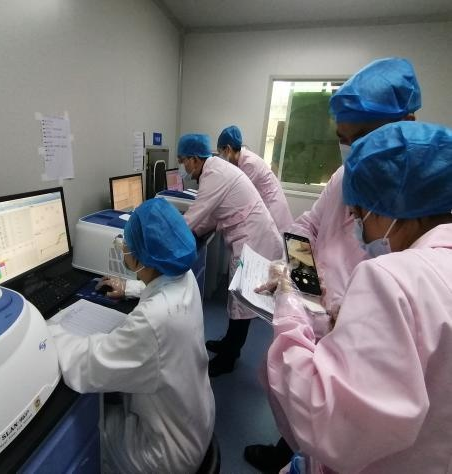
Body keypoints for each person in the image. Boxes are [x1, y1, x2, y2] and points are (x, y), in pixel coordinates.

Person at [244, 57, 422, 472]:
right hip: (311, 310)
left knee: (335, 428)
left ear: (407, 123)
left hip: (355, 339)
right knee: (299, 413)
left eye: (362, 137)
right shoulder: (346, 176)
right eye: (344, 140)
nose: (353, 151)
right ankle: (288, 450)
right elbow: (308, 225)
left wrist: (331, 308)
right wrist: (298, 276)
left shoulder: (420, 204)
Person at [266, 121, 452, 473]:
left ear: (390, 209)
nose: (357, 229)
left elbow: (324, 420)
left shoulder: (392, 279)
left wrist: (290, 303)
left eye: (358, 215)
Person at [48, 198, 215, 474]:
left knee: (87, 428)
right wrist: (129, 288)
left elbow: (87, 366)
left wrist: (47, 329)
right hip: (195, 421)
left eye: (126, 243)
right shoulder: (183, 277)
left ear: (140, 257)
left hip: (166, 454)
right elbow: (162, 287)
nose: (124, 248)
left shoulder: (152, 320)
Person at [178, 133, 284, 377]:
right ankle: (229, 343)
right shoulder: (215, 169)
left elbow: (196, 214)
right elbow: (212, 214)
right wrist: (195, 230)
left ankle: (229, 358)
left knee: (242, 301)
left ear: (194, 159)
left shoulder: (214, 174)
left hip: (254, 239)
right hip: (252, 234)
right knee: (238, 298)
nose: (183, 167)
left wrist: (167, 235)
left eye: (183, 161)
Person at [217, 125, 294, 232]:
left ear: (228, 149)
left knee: (276, 238)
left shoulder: (249, 164)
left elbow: (239, 195)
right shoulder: (241, 161)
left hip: (272, 207)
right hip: (268, 205)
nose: (220, 156)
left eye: (221, 152)